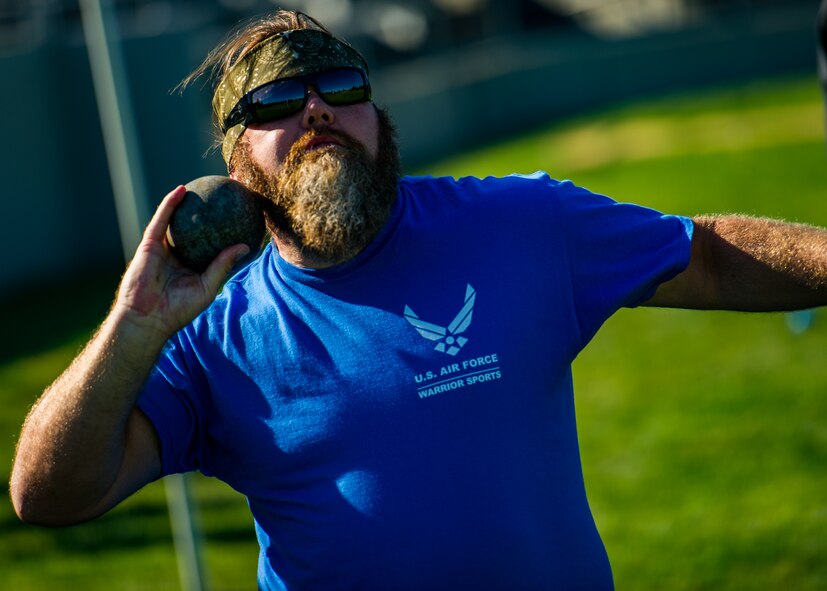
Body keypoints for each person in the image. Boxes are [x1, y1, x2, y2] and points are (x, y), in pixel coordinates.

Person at [10, 10, 827, 590]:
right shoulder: (212, 335)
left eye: (340, 85)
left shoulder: (517, 221)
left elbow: (707, 257)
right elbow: (49, 494)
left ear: (377, 116)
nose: (317, 107)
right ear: (234, 163)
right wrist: (134, 325)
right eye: (276, 103)